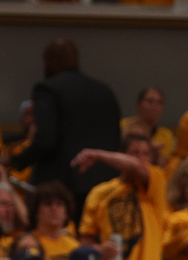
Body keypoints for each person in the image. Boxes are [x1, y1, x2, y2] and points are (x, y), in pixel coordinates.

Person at [14, 38, 119, 200]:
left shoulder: (48, 88)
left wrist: (18, 161)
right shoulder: (105, 91)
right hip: (105, 183)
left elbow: (46, 140)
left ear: (50, 60)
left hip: (63, 185)